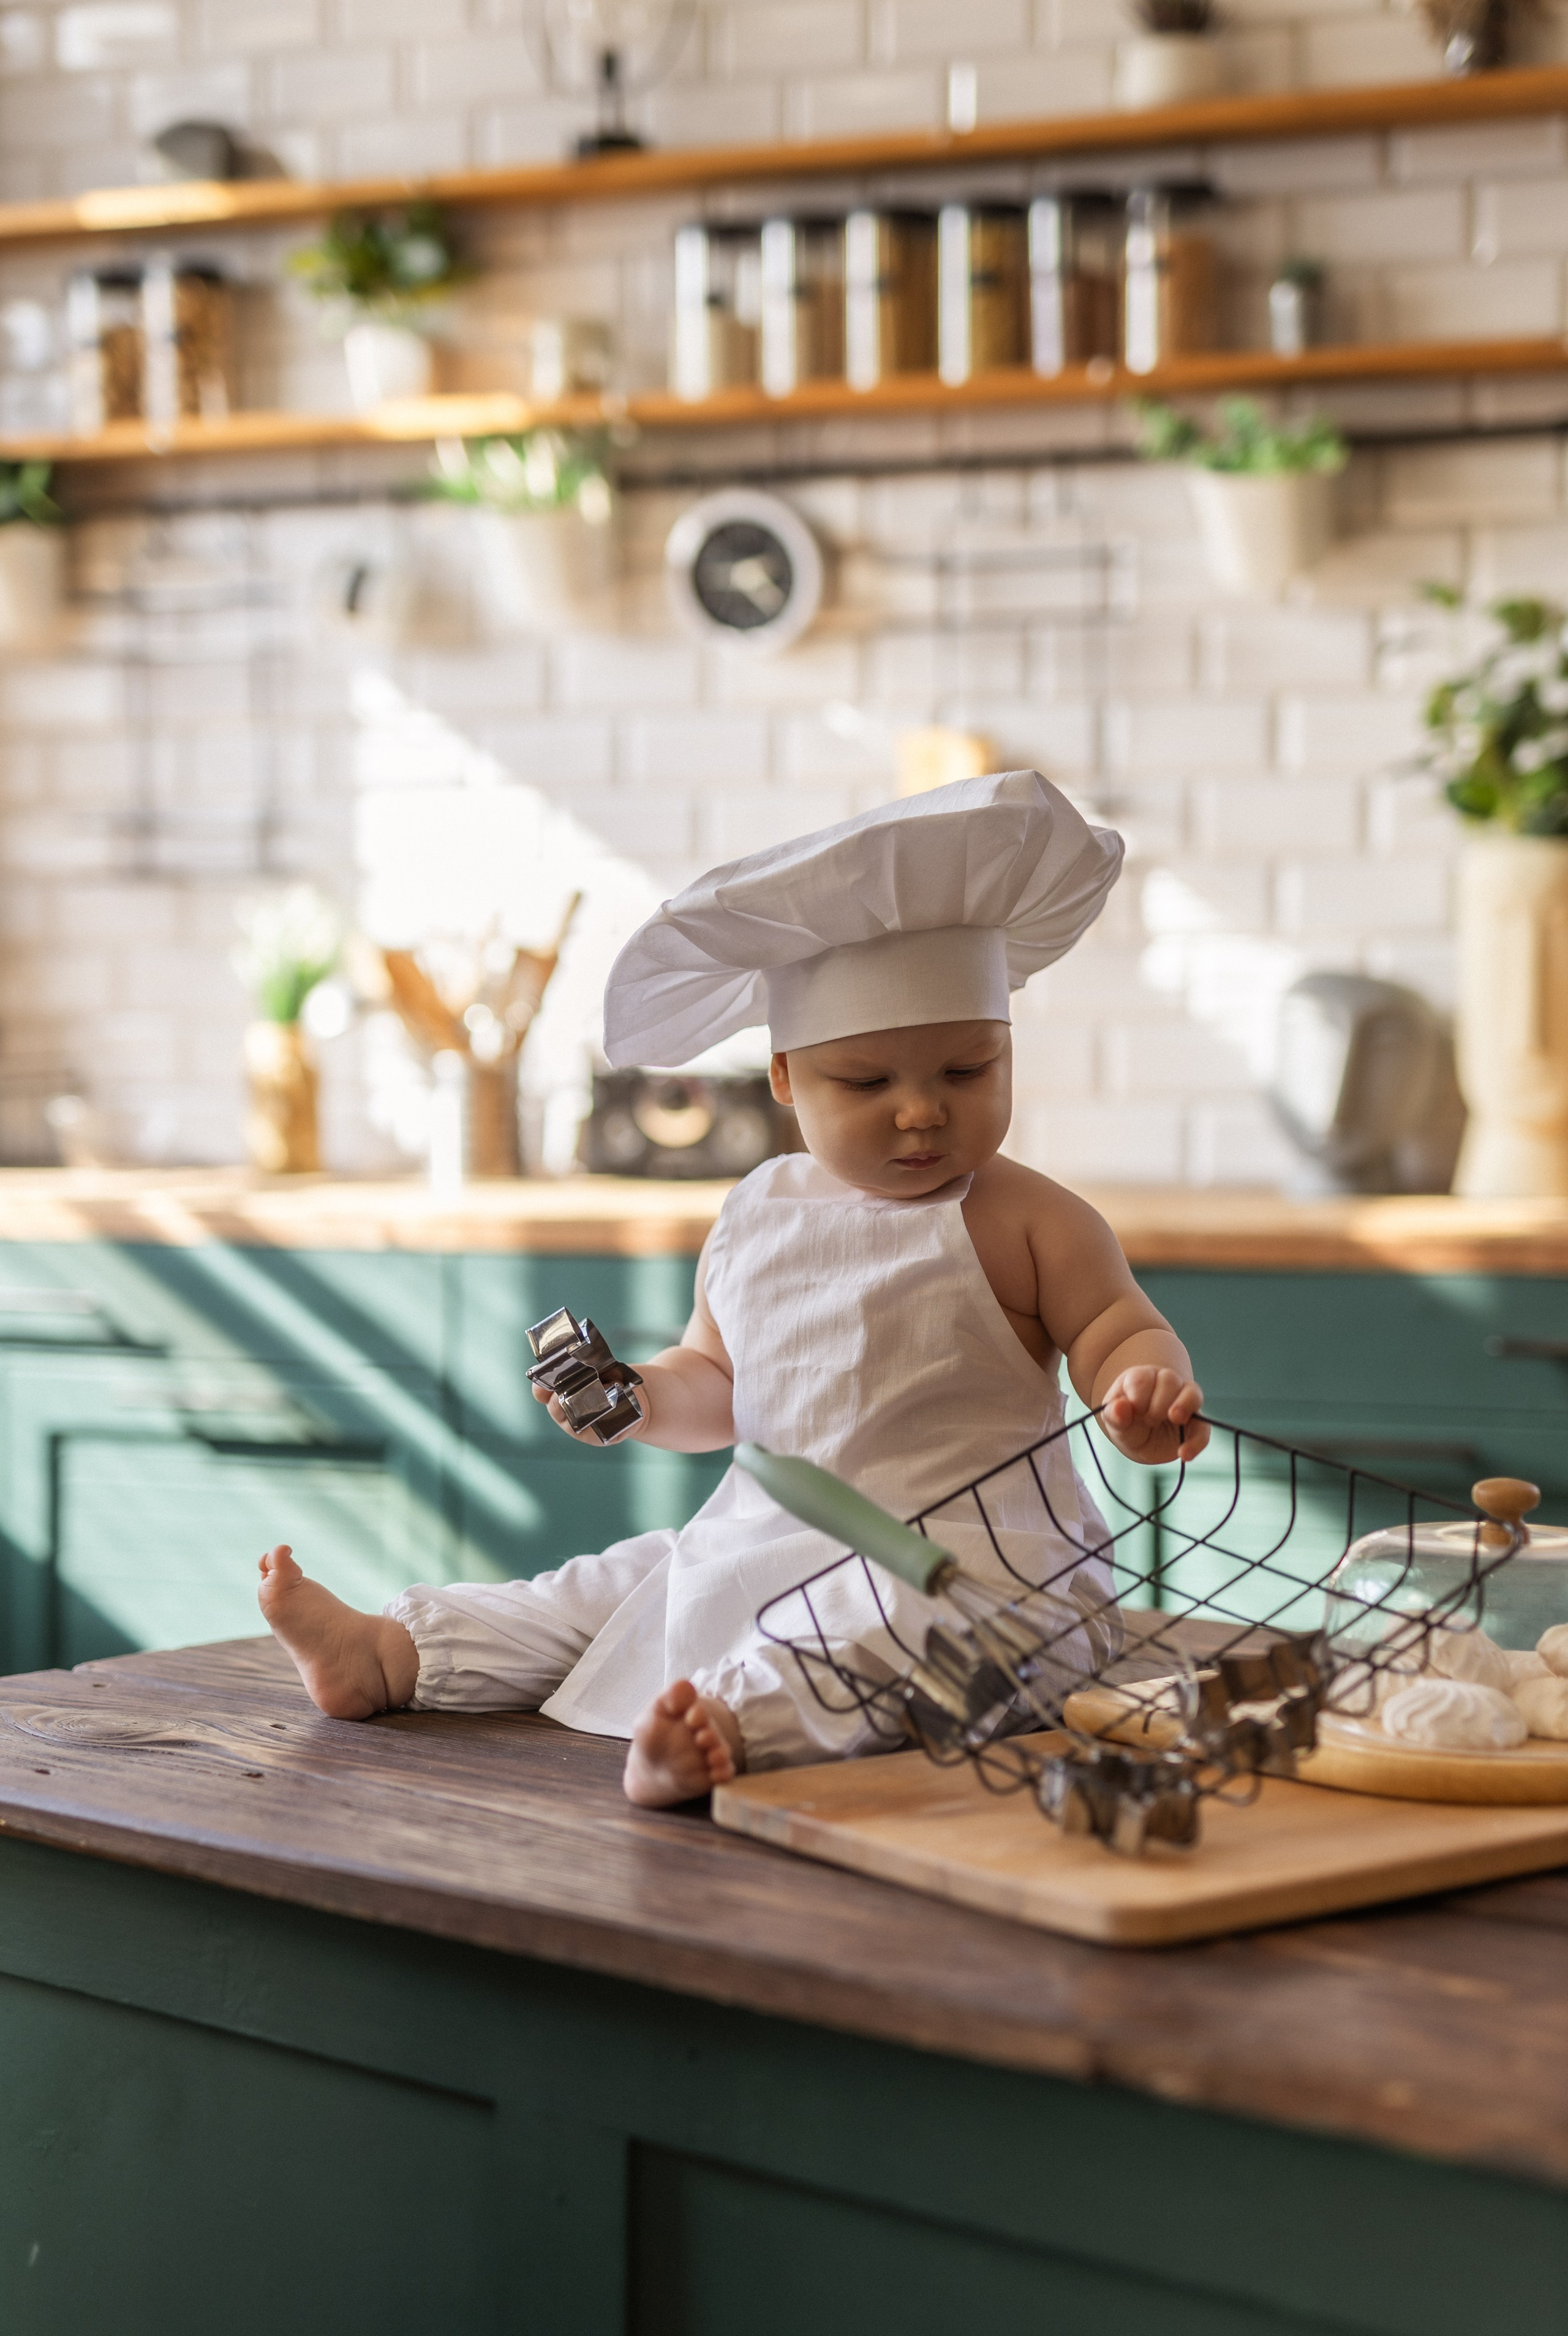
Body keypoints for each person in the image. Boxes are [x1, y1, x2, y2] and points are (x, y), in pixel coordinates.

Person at [259, 770, 1208, 1807]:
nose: (921, 1114)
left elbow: (1121, 1328)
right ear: (786, 1077)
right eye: (868, 1083)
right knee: (624, 1586)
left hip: (978, 1571)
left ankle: (723, 1727)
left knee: (889, 1642)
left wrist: (1144, 1389)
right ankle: (392, 1654)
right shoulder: (757, 1215)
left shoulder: (1033, 1218)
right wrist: (643, 1397)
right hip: (774, 1536)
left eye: (968, 1071)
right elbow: (718, 1379)